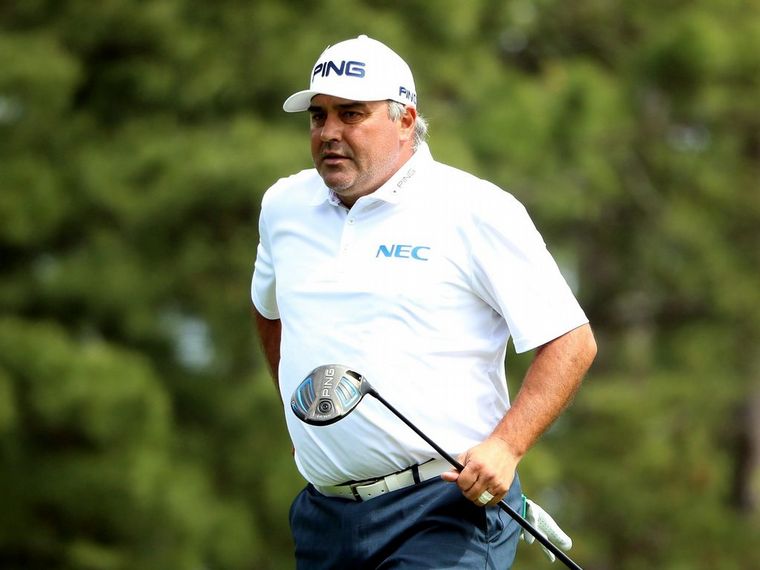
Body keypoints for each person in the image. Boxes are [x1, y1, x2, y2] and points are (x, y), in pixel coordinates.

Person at [252, 34, 597, 569]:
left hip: (444, 510)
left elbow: (571, 341)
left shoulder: (474, 209)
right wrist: (304, 411)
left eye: (351, 114)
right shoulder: (284, 206)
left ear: (405, 120)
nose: (329, 133)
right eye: (318, 116)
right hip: (325, 516)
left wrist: (506, 447)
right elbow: (269, 311)